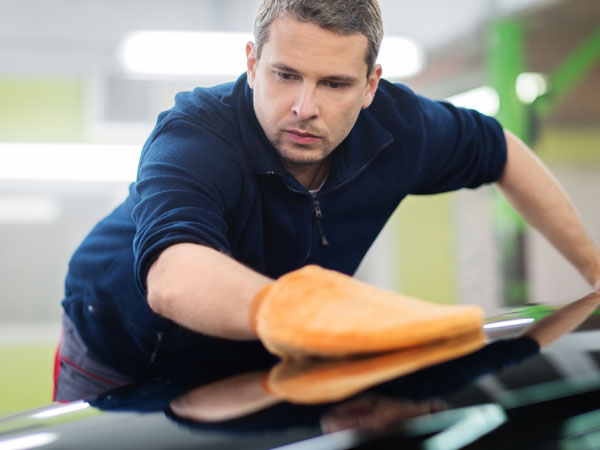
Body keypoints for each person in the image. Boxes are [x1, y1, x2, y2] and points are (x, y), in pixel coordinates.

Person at [53, 0, 600, 401]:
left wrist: (596, 274)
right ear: (251, 62)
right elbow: (174, 275)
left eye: (335, 84)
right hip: (118, 352)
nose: (303, 107)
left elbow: (500, 148)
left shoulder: (400, 125)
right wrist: (305, 313)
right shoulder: (195, 135)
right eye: (285, 75)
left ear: (370, 86)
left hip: (260, 356)